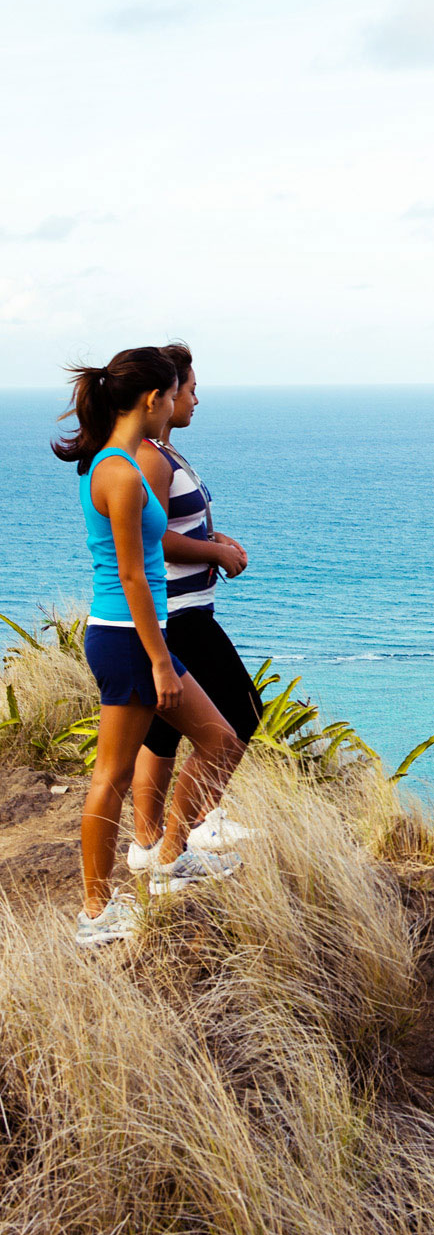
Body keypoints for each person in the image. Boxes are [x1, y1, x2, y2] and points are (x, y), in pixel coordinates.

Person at [54, 347, 246, 947]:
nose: (177, 402)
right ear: (152, 399)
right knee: (109, 776)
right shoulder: (115, 469)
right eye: (172, 393)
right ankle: (95, 912)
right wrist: (161, 660)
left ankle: (168, 857)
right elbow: (134, 575)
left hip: (138, 637)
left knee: (221, 739)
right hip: (127, 639)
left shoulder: (117, 463)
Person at [129, 342, 260, 861]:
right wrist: (214, 552)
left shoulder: (165, 454)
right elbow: (155, 538)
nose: (196, 401)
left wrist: (216, 538)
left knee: (162, 733)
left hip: (185, 609)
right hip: (180, 613)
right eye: (192, 390)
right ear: (165, 394)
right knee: (242, 712)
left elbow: (175, 523)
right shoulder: (149, 459)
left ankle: (147, 842)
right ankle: (191, 831)